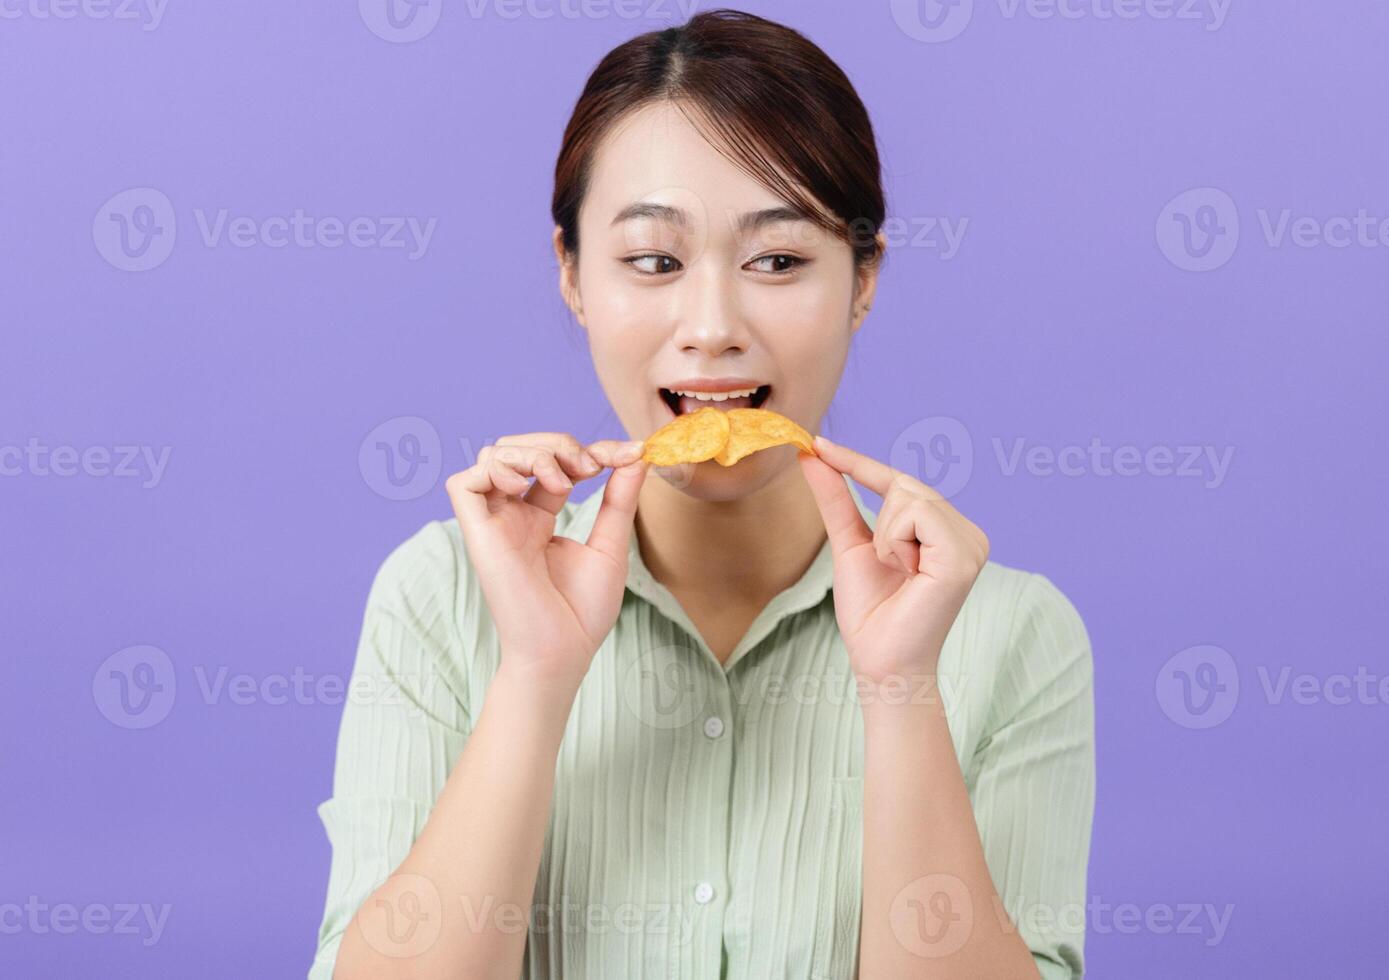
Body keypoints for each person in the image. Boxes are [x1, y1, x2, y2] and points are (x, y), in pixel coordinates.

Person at [309, 10, 1094, 979]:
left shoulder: (1012, 631)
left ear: (863, 279)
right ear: (572, 276)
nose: (713, 325)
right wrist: (535, 673)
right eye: (654, 261)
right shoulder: (442, 594)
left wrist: (899, 689)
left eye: (778, 260)